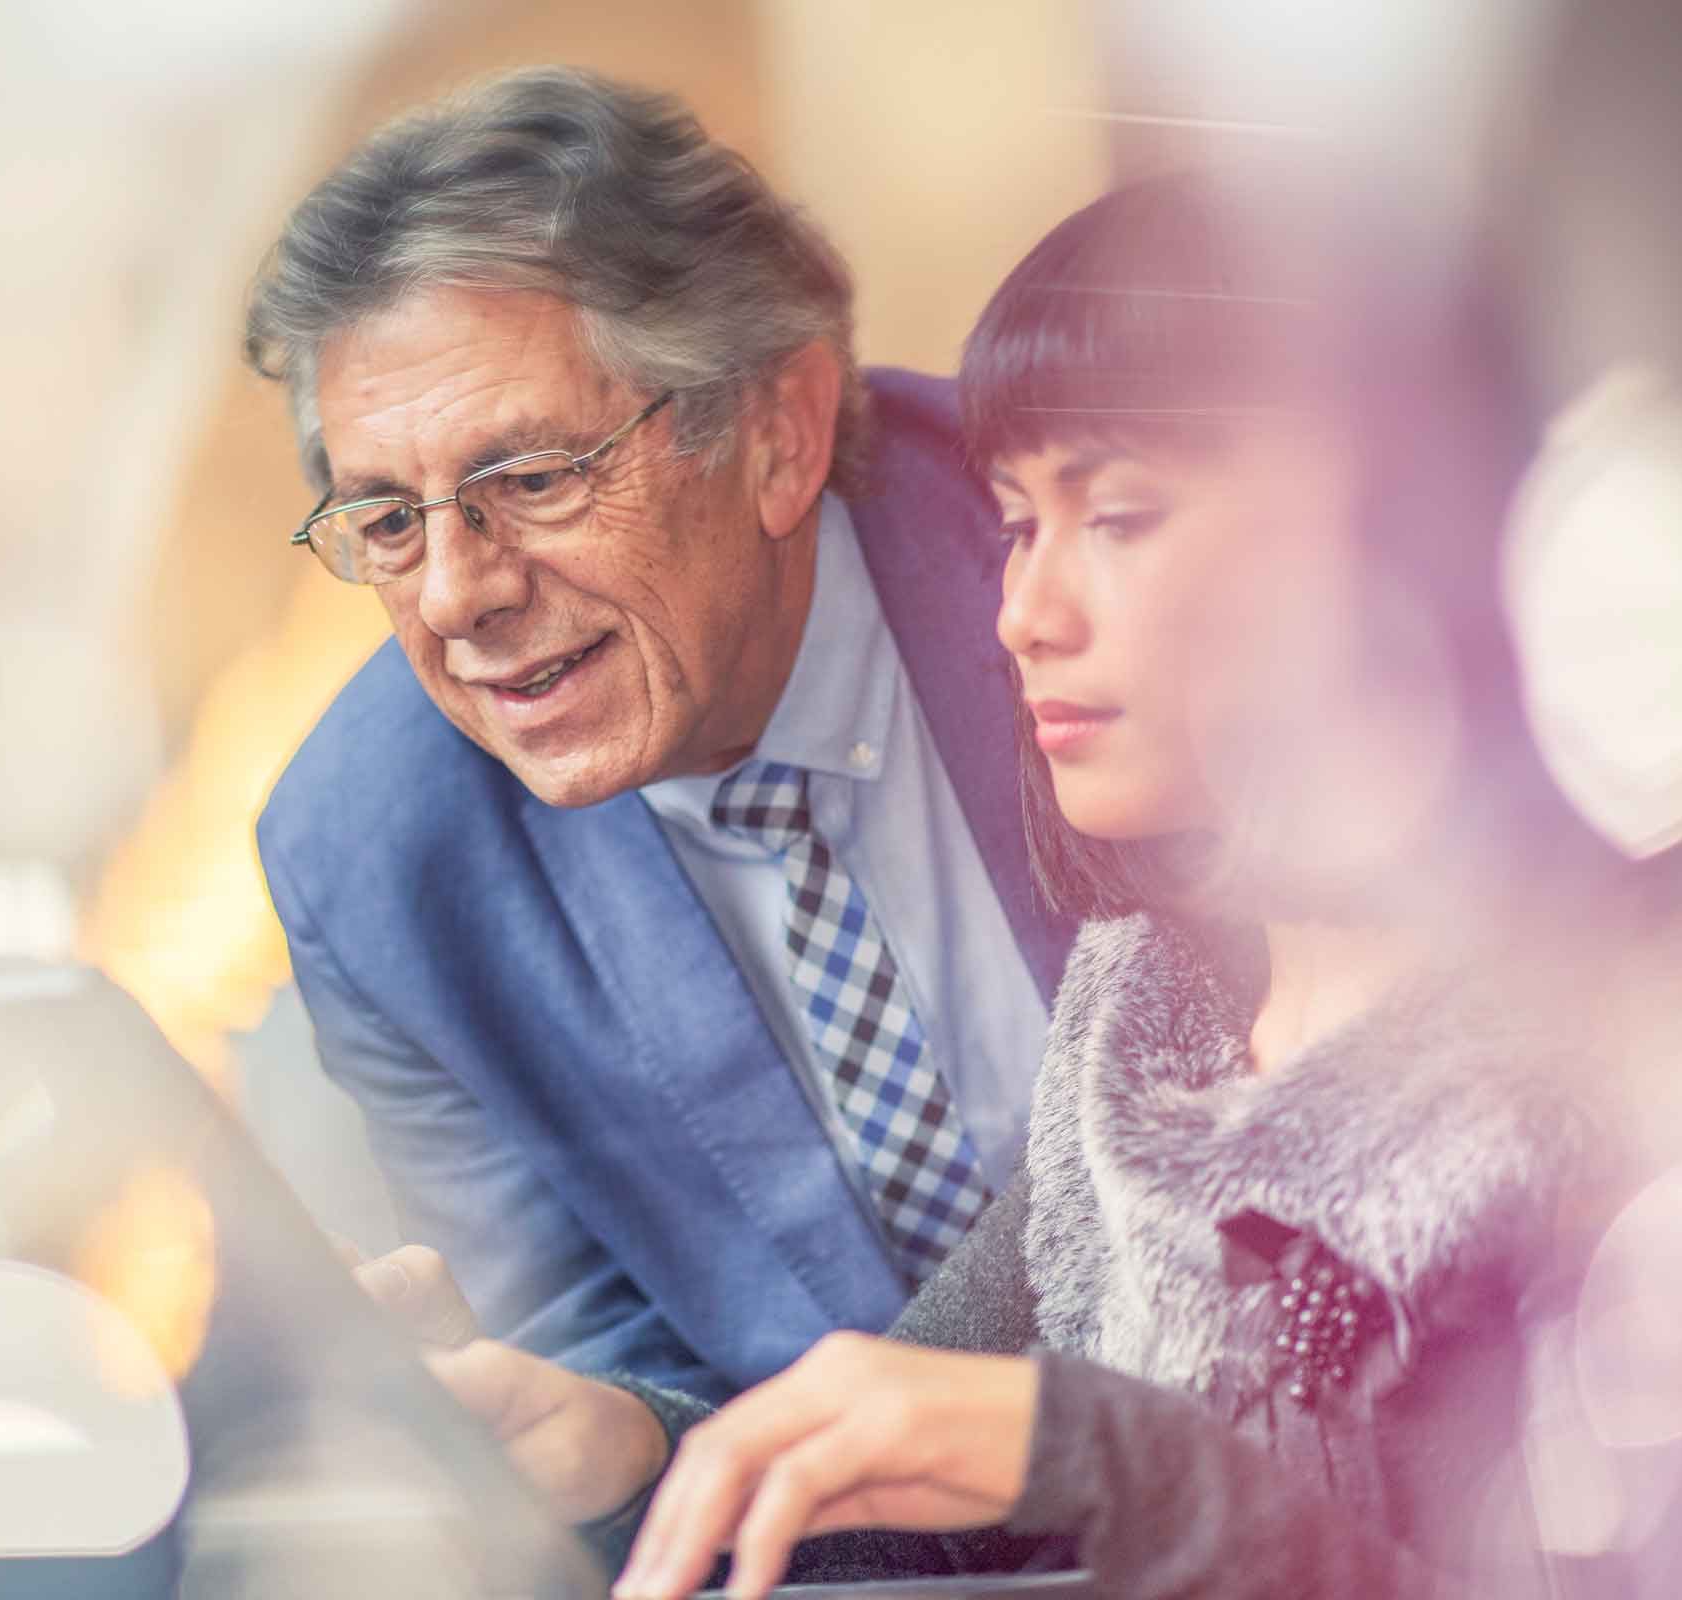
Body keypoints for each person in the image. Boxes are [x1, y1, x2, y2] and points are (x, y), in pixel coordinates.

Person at [410, 169, 1660, 1599]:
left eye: (1117, 519)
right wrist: (623, 1450)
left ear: (1383, 532)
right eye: (1016, 525)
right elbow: (912, 1483)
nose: (1023, 614)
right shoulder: (1145, 1017)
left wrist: (1102, 1456)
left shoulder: (1593, 1074)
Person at [246, 66, 1070, 1402]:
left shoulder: (1059, 548)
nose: (456, 594)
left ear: (778, 431)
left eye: (533, 478)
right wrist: (623, 1437)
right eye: (389, 520)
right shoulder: (374, 863)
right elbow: (590, 1358)